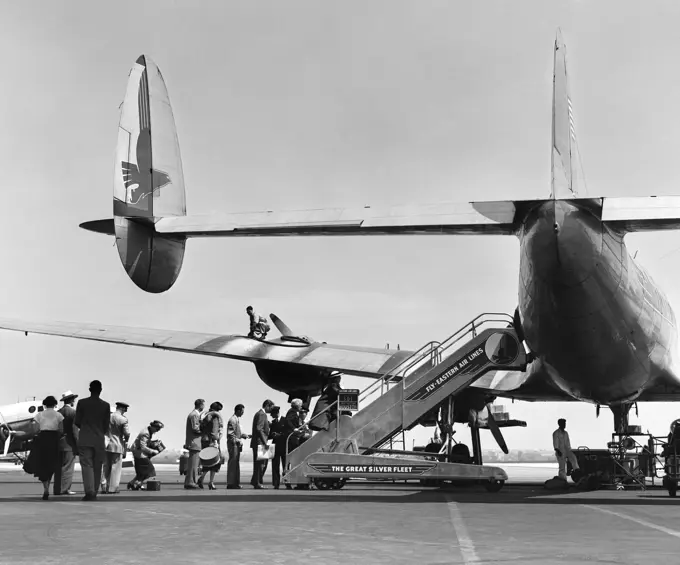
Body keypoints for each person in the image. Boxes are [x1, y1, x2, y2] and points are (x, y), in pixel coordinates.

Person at [75, 380, 111, 501]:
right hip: (99, 440)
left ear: (89, 390)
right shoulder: (106, 405)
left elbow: (77, 422)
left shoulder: (81, 403)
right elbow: (106, 425)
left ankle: (89, 491)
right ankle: (94, 492)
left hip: (85, 438)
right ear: (101, 390)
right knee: (97, 466)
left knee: (87, 466)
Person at [24, 396, 64, 500]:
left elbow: (35, 430)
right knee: (52, 464)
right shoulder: (59, 415)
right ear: (55, 404)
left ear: (45, 404)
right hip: (54, 440)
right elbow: (61, 430)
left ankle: (45, 488)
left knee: (42, 464)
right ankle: (49, 486)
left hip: (42, 440)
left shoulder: (39, 415)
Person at [102, 402, 130, 494]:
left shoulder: (107, 417)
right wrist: (126, 440)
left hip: (107, 443)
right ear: (123, 409)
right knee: (116, 468)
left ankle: (104, 486)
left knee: (106, 466)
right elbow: (126, 433)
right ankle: (113, 488)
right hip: (117, 445)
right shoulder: (123, 419)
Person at [127, 420, 164, 490]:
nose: (158, 430)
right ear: (153, 427)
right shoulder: (146, 433)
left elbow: (145, 443)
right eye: (157, 428)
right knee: (149, 470)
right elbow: (143, 446)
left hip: (140, 452)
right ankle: (137, 484)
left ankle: (132, 483)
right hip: (139, 453)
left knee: (141, 472)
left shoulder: (148, 431)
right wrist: (153, 451)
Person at [54, 390, 78, 496]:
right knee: (68, 467)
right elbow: (74, 430)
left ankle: (57, 489)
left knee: (59, 467)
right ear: (71, 400)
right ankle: (65, 488)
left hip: (59, 443)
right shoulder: (73, 412)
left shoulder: (58, 412)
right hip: (69, 443)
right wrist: (77, 443)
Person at [197, 401, 223, 490]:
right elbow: (214, 431)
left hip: (204, 440)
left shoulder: (205, 416)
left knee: (207, 463)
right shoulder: (214, 417)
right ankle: (210, 482)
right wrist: (216, 441)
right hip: (212, 441)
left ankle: (203, 479)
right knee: (215, 463)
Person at [251, 399, 275, 489]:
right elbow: (259, 428)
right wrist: (265, 442)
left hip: (258, 442)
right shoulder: (262, 414)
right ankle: (257, 483)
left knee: (259, 464)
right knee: (260, 464)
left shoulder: (259, 413)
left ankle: (255, 481)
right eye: (271, 408)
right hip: (260, 443)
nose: (271, 410)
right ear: (267, 405)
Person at [226, 404, 250, 489]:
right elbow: (231, 434)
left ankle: (235, 482)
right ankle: (231, 483)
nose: (243, 413)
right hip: (233, 445)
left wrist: (243, 435)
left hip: (236, 444)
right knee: (233, 463)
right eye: (242, 411)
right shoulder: (233, 420)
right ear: (238, 411)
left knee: (235, 463)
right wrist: (238, 440)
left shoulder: (236, 419)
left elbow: (235, 433)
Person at [184, 399, 205, 490]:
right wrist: (204, 431)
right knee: (193, 464)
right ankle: (190, 482)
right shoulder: (194, 415)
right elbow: (195, 428)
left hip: (195, 442)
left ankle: (190, 481)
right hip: (194, 442)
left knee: (193, 464)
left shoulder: (195, 414)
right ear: (200, 405)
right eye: (203, 405)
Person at [268, 406, 286, 489]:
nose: (271, 416)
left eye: (272, 414)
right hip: (275, 446)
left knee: (285, 465)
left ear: (276, 413)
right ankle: (276, 483)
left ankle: (287, 482)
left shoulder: (285, 420)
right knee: (275, 465)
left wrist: (280, 435)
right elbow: (270, 434)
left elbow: (289, 432)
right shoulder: (273, 422)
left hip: (283, 446)